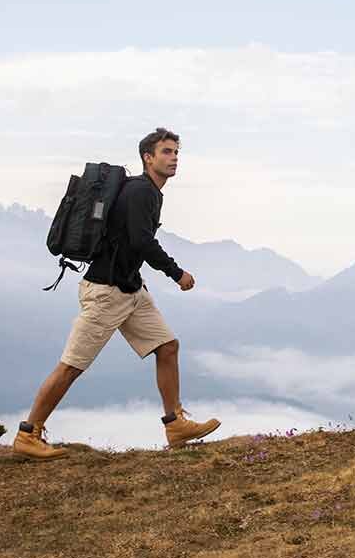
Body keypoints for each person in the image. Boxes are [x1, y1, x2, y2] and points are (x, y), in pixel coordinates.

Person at [13, 128, 220, 459]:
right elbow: (142, 241)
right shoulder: (142, 192)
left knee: (167, 347)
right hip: (106, 292)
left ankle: (175, 424)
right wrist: (177, 273)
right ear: (147, 158)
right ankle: (28, 433)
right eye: (166, 152)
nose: (174, 158)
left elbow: (129, 242)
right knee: (71, 365)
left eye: (176, 152)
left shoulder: (149, 192)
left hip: (129, 288)